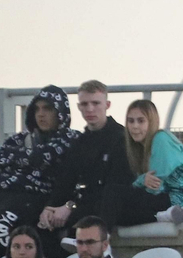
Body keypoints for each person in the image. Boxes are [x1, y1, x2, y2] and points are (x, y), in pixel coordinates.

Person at [0, 86, 76, 258]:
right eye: (37, 109)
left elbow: (43, 156)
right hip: (6, 193)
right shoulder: (21, 138)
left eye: (48, 109)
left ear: (60, 112)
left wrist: (18, 160)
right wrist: (31, 159)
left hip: (39, 198)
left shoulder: (71, 138)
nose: (41, 114)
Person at [38, 81, 132, 240]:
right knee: (41, 225)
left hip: (109, 207)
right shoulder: (79, 143)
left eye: (95, 103)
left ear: (107, 105)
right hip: (84, 204)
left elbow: (114, 189)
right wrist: (50, 207)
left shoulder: (121, 138)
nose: (90, 109)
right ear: (79, 107)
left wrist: (70, 206)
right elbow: (66, 181)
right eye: (84, 104)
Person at [103, 99, 183, 226]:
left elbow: (155, 185)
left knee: (112, 192)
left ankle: (98, 242)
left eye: (141, 121)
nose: (135, 126)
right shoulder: (140, 148)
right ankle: (163, 217)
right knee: (117, 213)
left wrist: (140, 182)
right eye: (131, 121)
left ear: (152, 122)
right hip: (167, 202)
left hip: (182, 203)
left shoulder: (161, 138)